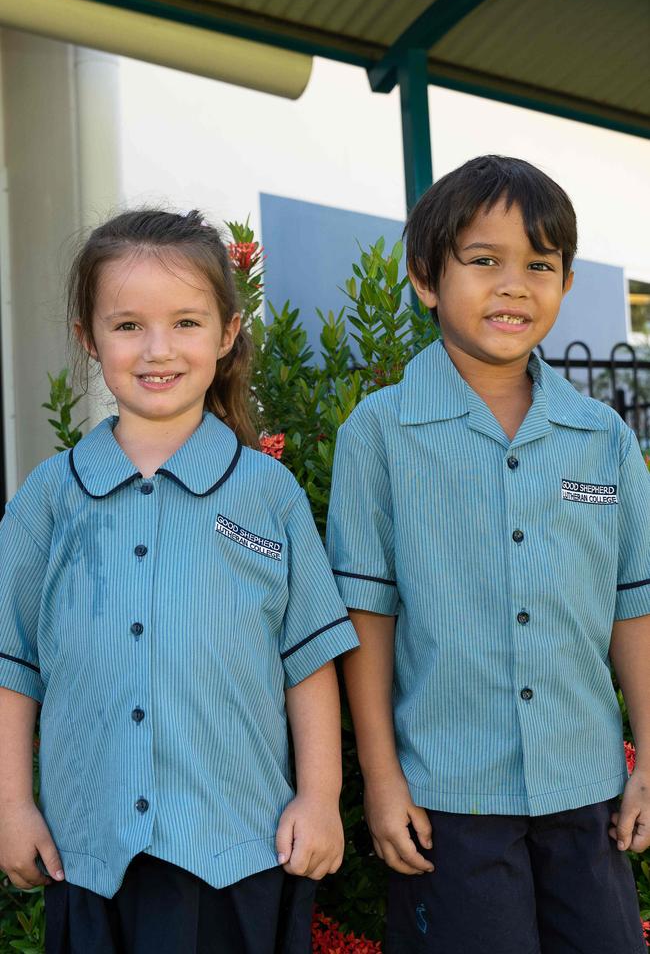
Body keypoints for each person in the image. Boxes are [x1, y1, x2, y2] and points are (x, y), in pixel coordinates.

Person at [0, 208, 359, 954]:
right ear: (87, 338)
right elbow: (14, 669)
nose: (157, 349)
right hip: (88, 855)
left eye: (186, 322)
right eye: (128, 325)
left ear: (227, 334)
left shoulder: (269, 494)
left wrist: (320, 798)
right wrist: (12, 806)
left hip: (238, 851)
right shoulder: (45, 498)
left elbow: (309, 662)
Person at [326, 156, 650, 954]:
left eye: (539, 265)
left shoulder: (604, 438)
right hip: (449, 801)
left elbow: (632, 605)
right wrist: (383, 780)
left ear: (566, 284)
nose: (514, 285)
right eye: (484, 260)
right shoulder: (380, 432)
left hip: (588, 794)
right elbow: (368, 618)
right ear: (426, 279)